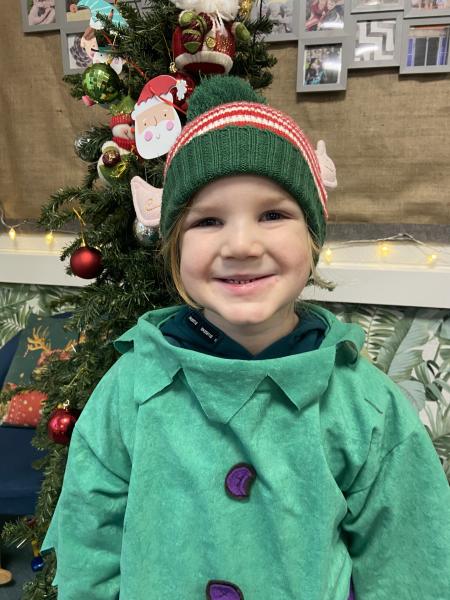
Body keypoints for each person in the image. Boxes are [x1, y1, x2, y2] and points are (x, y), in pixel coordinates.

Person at [42, 75, 450, 599]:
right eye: (208, 221)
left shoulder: (364, 406)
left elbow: (410, 563)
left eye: (273, 214)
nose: (241, 245)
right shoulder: (131, 389)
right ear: (175, 247)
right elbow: (89, 540)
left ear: (313, 237)